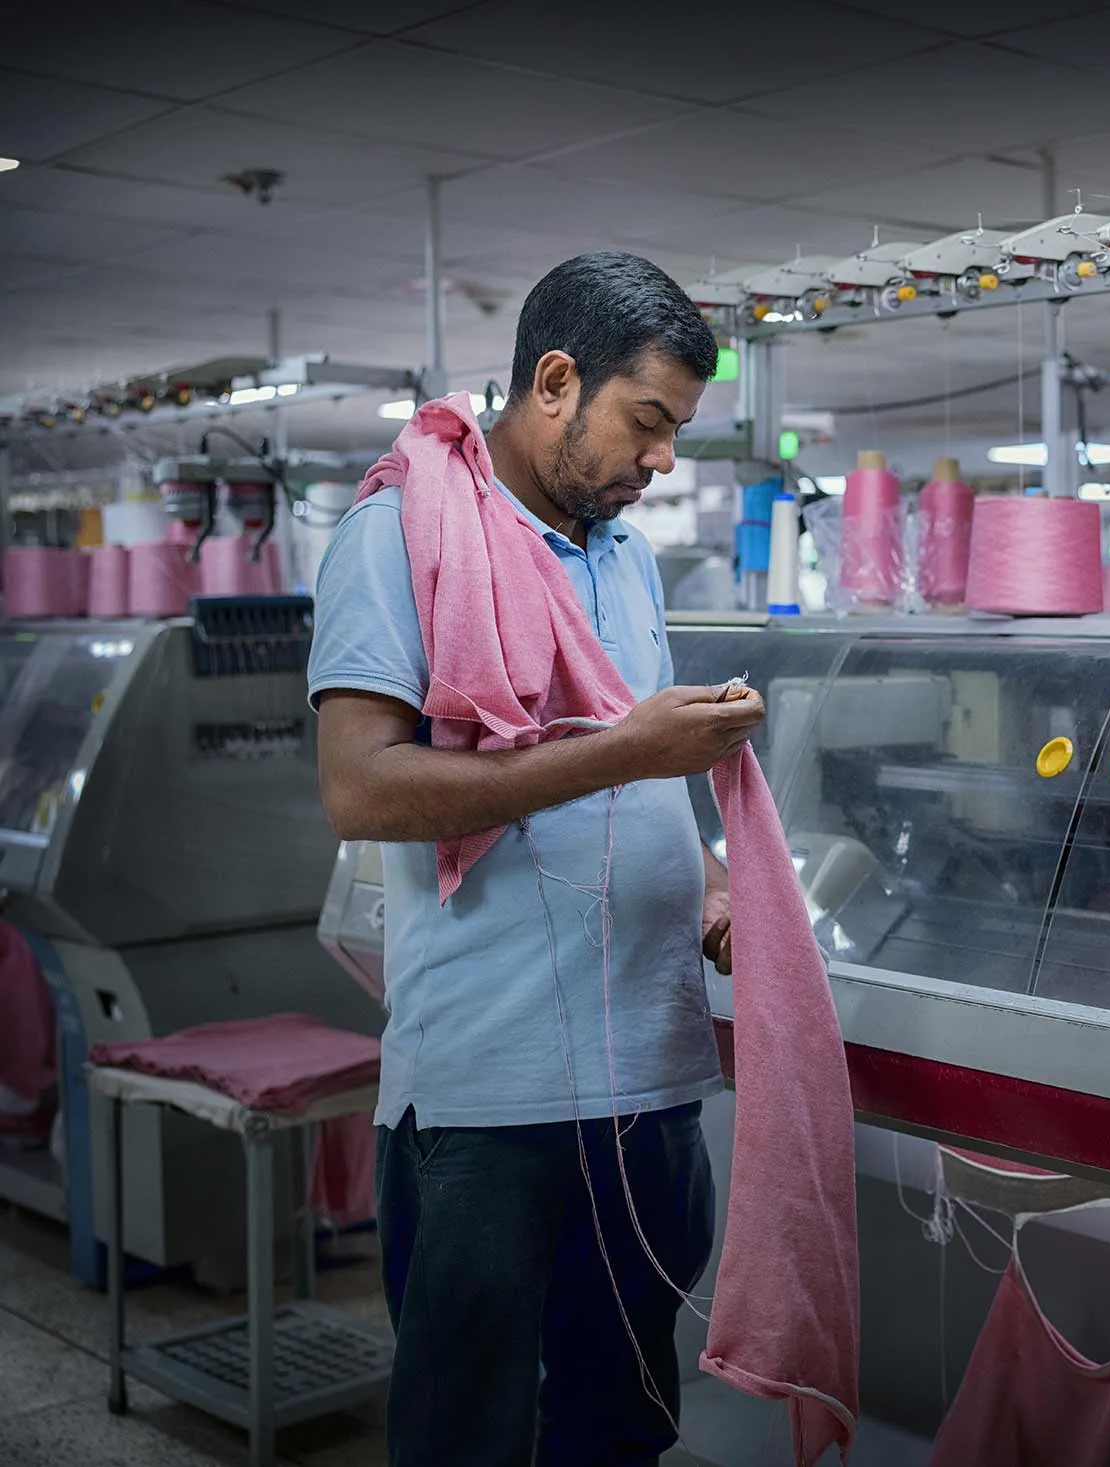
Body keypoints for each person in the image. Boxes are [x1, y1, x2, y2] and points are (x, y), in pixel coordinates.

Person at [310, 250, 761, 1466]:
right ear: (554, 382)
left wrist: (709, 880)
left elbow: (630, 781)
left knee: (623, 1425)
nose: (661, 459)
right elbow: (362, 785)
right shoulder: (399, 535)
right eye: (647, 422)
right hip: (491, 1104)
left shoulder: (621, 551)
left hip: (647, 1085)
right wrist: (627, 756)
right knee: (469, 1434)